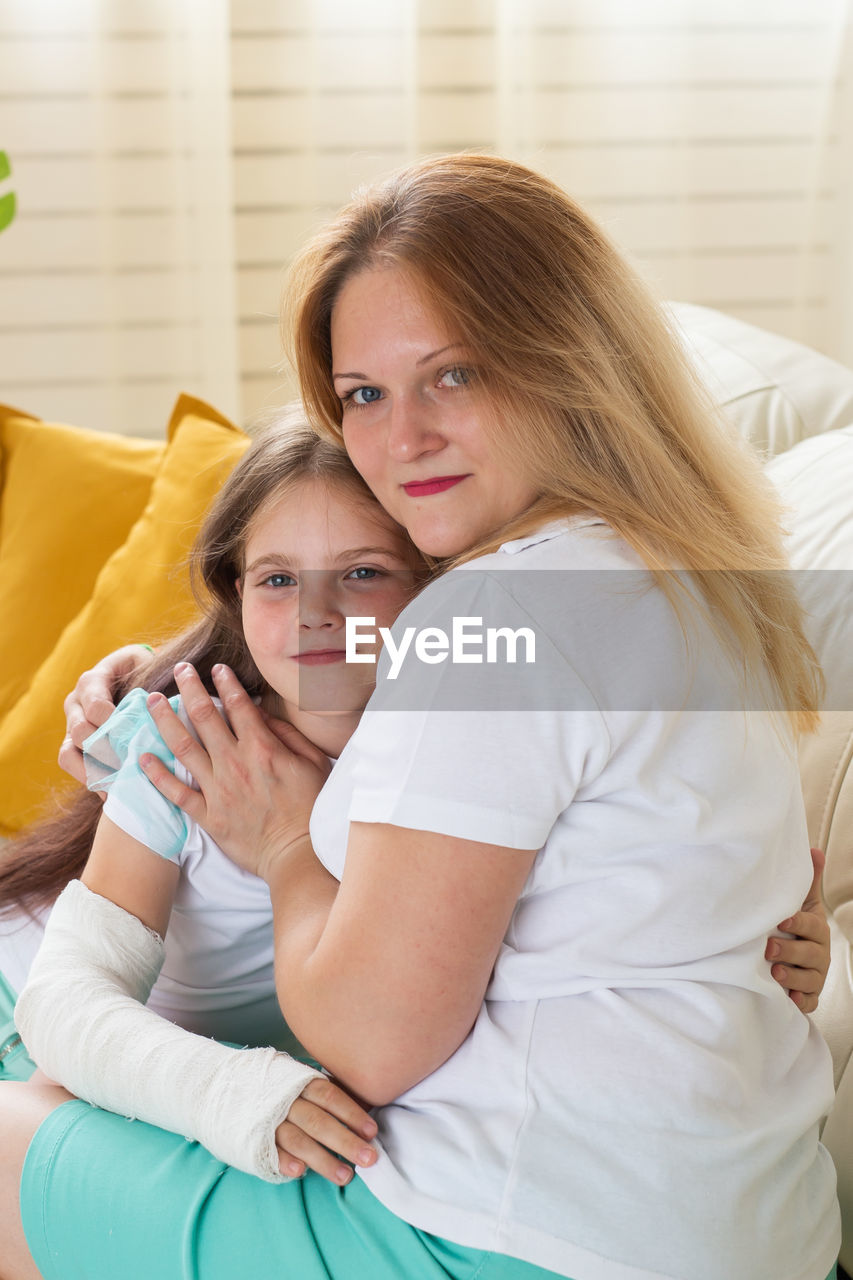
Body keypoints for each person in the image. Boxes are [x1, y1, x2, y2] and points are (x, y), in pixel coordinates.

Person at [0, 153, 840, 1280]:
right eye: (364, 395)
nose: (403, 439)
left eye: (454, 375)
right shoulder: (691, 583)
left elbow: (373, 1039)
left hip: (518, 1239)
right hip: (762, 1233)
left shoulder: (496, 608)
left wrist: (291, 843)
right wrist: (182, 663)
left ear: (565, 361)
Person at [1, 415, 426, 1186]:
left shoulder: (462, 760)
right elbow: (61, 1006)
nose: (313, 613)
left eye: (363, 572)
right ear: (235, 592)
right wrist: (237, 1091)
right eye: (277, 578)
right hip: (28, 1005)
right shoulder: (188, 749)